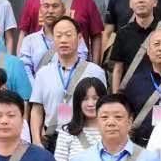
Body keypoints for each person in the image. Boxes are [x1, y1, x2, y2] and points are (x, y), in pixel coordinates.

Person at [29, 14, 106, 149]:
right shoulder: (43, 73)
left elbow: (103, 108)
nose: (63, 40)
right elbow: (37, 109)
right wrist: (36, 141)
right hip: (52, 137)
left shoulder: (95, 71)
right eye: (58, 36)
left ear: (79, 38)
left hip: (85, 137)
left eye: (68, 35)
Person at [108, 0, 161, 92]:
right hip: (131, 93)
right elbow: (118, 69)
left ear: (155, 2)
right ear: (130, 3)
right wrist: (116, 96)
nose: (141, 0)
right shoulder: (123, 33)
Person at [121, 24, 161, 145]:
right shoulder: (135, 81)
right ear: (148, 51)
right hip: (141, 145)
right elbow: (127, 114)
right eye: (156, 44)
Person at [17, 0, 88, 75]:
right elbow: (25, 69)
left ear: (64, 10)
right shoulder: (29, 41)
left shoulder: (75, 38)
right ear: (41, 10)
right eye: (46, 6)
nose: (50, 11)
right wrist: (37, 83)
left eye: (55, 6)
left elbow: (80, 65)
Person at [54, 77, 107, 161]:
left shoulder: (113, 129)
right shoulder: (67, 132)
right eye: (85, 99)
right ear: (78, 102)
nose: (90, 104)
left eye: (95, 98)